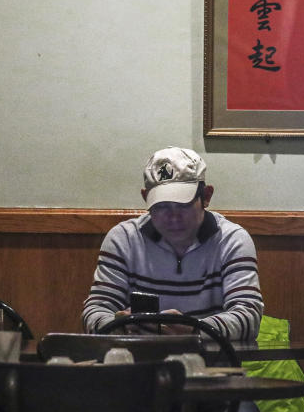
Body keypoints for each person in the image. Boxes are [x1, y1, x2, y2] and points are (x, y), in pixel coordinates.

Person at [82, 146, 264, 340]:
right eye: (161, 206)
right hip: (136, 364)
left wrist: (194, 330)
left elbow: (249, 318)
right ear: (145, 199)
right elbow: (95, 311)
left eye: (183, 204)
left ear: (207, 197)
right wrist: (119, 326)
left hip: (212, 366)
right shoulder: (123, 239)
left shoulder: (232, 240)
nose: (173, 217)